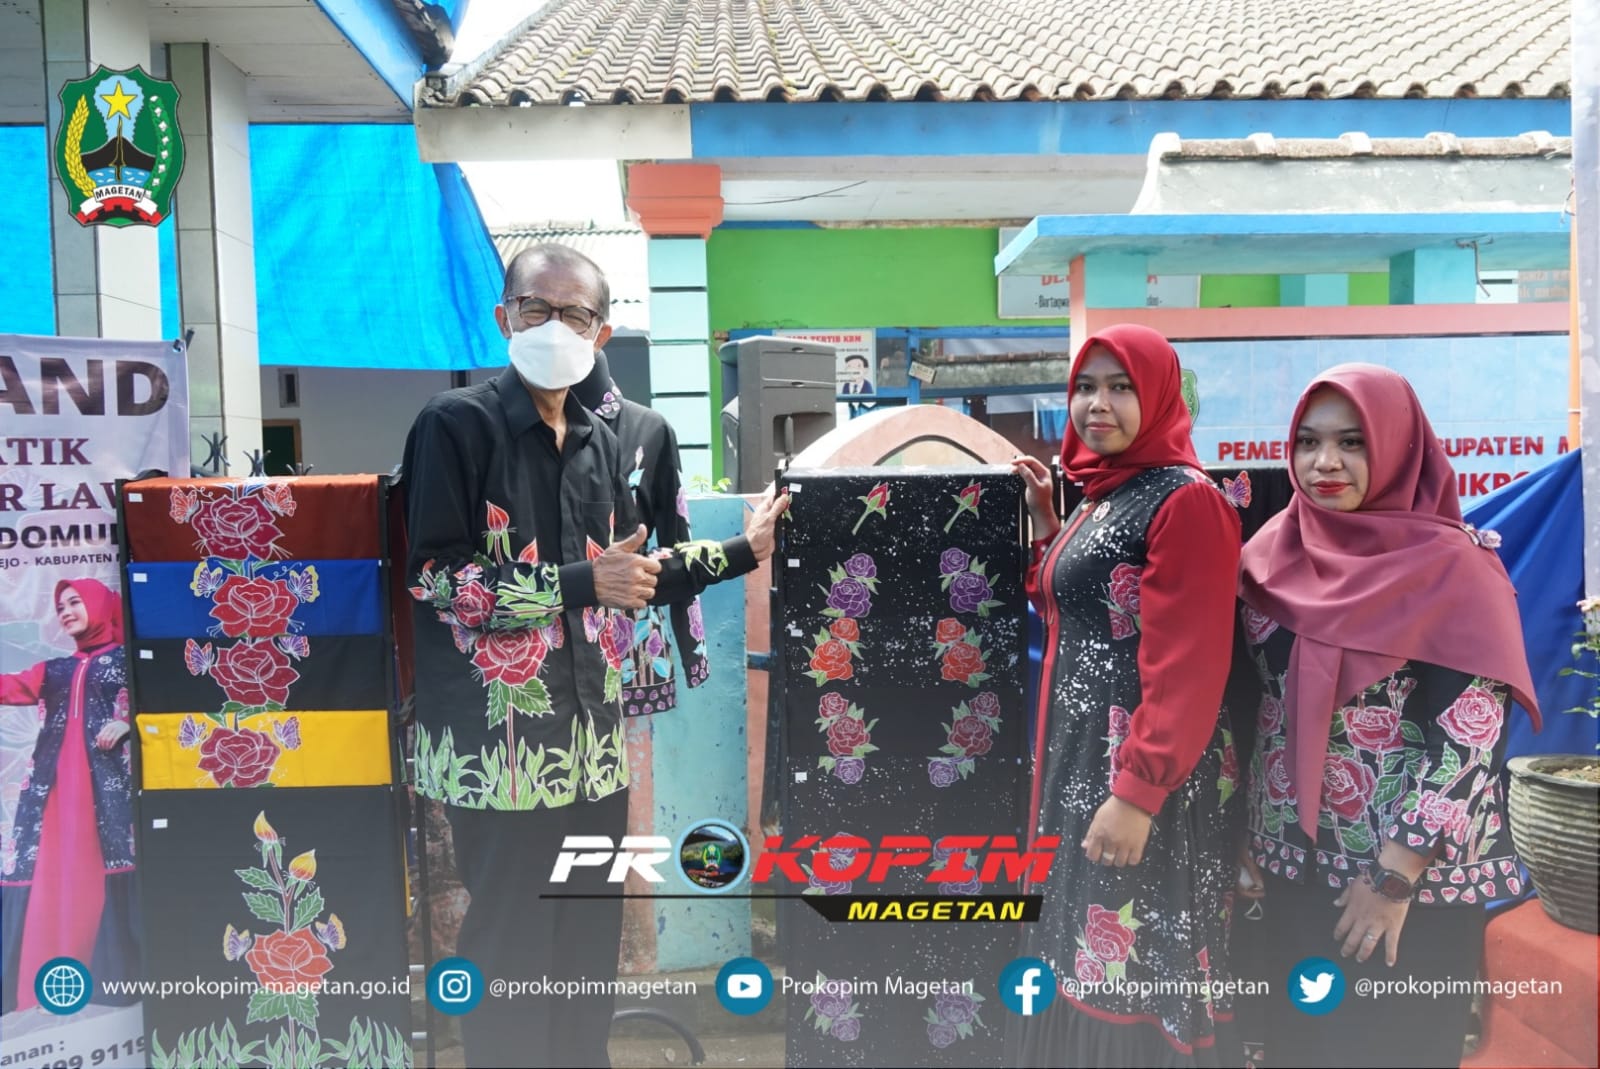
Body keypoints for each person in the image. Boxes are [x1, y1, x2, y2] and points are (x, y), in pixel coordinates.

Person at [401, 243, 787, 1069]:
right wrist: (582, 582)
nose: (553, 325)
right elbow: (436, 578)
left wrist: (744, 551)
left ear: (601, 331)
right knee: (511, 942)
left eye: (574, 313)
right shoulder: (454, 424)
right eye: (535, 308)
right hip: (499, 750)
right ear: (504, 317)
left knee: (584, 942)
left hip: (592, 746)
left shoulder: (602, 440)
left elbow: (634, 574)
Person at [1234, 363, 1539, 1069]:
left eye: (1352, 442)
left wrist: (1395, 877)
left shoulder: (1455, 570)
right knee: (1297, 1050)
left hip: (1410, 888)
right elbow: (1257, 705)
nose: (1324, 462)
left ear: (1399, 446)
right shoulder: (1269, 555)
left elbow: (1468, 742)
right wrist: (1246, 832)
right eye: (1308, 441)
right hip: (1290, 869)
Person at [1008, 324, 1242, 1066]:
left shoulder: (1186, 501)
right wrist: (1051, 527)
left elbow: (1190, 662)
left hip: (1138, 775)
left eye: (1120, 387)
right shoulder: (1106, 492)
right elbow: (1090, 608)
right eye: (1085, 386)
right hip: (1085, 765)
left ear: (1160, 397)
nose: (1096, 404)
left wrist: (1139, 792)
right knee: (1080, 946)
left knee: (1124, 957)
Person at [1, 578, 138, 1015]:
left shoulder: (129, 661)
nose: (65, 612)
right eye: (60, 606)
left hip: (107, 794)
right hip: (52, 793)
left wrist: (131, 721)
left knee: (96, 874)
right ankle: (39, 992)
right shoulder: (54, 670)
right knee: (50, 876)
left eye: (75, 602)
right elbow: (6, 686)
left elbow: (164, 702)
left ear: (99, 605)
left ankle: (104, 989)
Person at [571, 349, 709, 714]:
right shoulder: (524, 430)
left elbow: (678, 539)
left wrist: (694, 652)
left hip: (631, 638)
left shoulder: (650, 429)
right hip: (545, 625)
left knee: (629, 748)